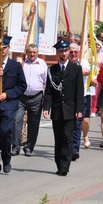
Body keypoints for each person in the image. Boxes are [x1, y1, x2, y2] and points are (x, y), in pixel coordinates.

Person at [0, 36, 27, 175]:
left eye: (5, 48)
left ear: (9, 48)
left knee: (5, 132)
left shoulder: (15, 66)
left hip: (8, 104)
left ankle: (6, 159)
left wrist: (8, 94)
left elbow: (22, 86)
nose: (2, 51)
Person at [43, 40, 84, 177]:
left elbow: (79, 91)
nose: (64, 53)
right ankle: (59, 164)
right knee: (58, 138)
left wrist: (79, 109)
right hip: (57, 110)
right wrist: (46, 107)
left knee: (67, 138)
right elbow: (48, 91)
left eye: (65, 50)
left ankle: (65, 166)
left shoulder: (76, 69)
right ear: (57, 53)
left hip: (70, 109)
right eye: (61, 51)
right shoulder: (52, 70)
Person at [11, 44, 47, 157]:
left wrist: (44, 97)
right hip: (21, 97)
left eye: (34, 52)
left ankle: (29, 147)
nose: (32, 54)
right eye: (30, 52)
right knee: (16, 120)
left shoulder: (42, 64)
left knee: (34, 123)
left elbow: (46, 81)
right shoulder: (21, 63)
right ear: (26, 52)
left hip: (36, 97)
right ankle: (16, 146)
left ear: (37, 53)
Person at [69, 42, 94, 160]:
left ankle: (75, 149)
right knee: (70, 124)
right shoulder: (67, 62)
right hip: (69, 98)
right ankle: (68, 147)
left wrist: (75, 67)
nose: (73, 54)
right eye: (71, 52)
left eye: (75, 52)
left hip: (82, 96)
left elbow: (86, 71)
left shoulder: (83, 62)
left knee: (79, 122)